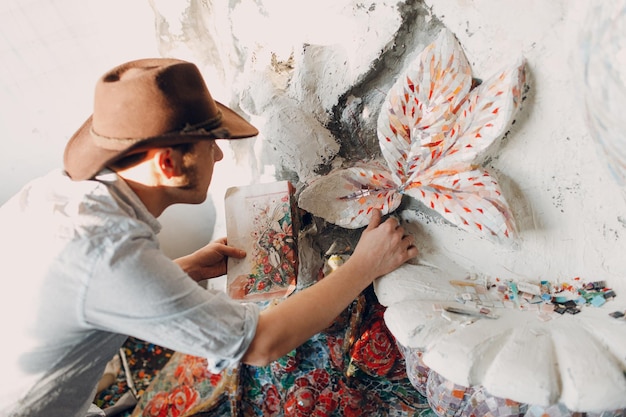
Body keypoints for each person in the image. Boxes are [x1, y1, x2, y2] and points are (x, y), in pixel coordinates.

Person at [0, 58, 418, 417]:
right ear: (168, 164)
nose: (218, 155)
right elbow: (260, 344)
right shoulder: (110, 255)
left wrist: (178, 270)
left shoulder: (53, 196)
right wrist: (366, 264)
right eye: (210, 146)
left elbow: (81, 290)